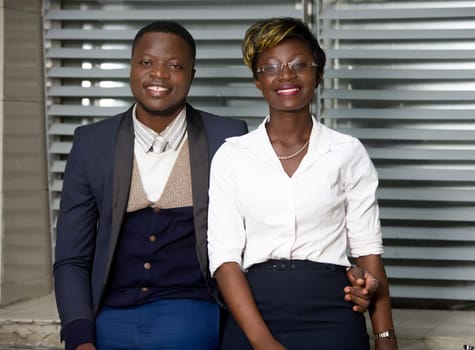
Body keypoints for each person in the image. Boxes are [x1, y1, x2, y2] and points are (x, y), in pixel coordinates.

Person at [53, 20, 378, 350]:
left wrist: (342, 272)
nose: (159, 75)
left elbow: (273, 217)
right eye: (146, 63)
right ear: (131, 68)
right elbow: (72, 257)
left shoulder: (226, 137)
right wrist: (80, 336)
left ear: (192, 75)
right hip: (111, 311)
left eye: (175, 65)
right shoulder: (92, 142)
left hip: (193, 309)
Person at [207, 17, 397, 350]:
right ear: (257, 80)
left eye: (299, 64)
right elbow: (224, 259)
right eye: (271, 67)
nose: (285, 75)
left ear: (318, 73)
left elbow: (368, 253)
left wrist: (385, 337)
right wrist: (263, 342)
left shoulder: (347, 152)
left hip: (333, 309)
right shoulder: (232, 156)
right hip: (254, 311)